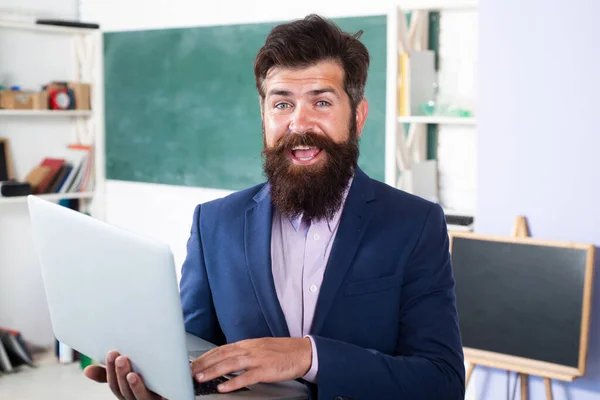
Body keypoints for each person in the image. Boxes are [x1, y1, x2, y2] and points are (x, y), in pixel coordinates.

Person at [84, 14, 465, 400]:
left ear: (358, 117)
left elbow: (442, 382)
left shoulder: (415, 224)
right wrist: (164, 389)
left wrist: (307, 355)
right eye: (282, 103)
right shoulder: (214, 224)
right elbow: (195, 358)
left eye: (321, 101)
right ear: (264, 116)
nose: (300, 123)